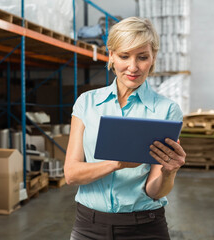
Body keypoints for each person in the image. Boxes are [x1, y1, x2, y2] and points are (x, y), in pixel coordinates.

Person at [65, 17, 186, 240]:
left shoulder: (167, 111)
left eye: (142, 57)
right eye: (123, 56)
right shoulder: (87, 103)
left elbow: (154, 191)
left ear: (153, 58)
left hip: (145, 227)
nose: (133, 67)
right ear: (111, 55)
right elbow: (71, 174)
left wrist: (169, 172)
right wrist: (117, 163)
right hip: (88, 227)